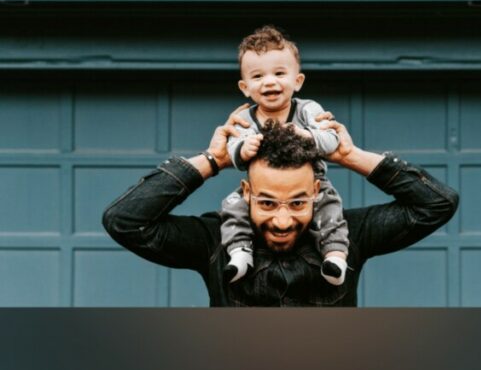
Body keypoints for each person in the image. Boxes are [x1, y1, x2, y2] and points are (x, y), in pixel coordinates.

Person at [102, 102, 459, 308]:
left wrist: (350, 156)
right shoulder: (214, 241)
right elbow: (126, 221)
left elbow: (436, 204)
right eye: (268, 203)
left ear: (318, 191)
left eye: (298, 202)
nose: (283, 220)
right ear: (246, 192)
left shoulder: (350, 235)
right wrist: (213, 160)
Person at [222, 25, 348, 286]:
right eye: (258, 77)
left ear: (297, 81)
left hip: (312, 184)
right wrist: (242, 149)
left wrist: (308, 136)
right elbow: (232, 150)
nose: (269, 81)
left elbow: (331, 139)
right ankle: (239, 252)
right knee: (232, 205)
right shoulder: (244, 118)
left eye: (279, 73)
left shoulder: (307, 110)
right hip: (262, 189)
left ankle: (335, 255)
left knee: (330, 206)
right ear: (245, 87)